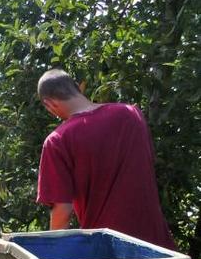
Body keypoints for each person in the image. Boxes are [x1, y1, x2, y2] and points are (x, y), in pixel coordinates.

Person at [36, 69, 175, 249]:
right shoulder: (131, 114)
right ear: (78, 88)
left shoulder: (58, 141)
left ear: (49, 104)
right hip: (159, 248)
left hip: (108, 255)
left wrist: (53, 255)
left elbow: (62, 211)